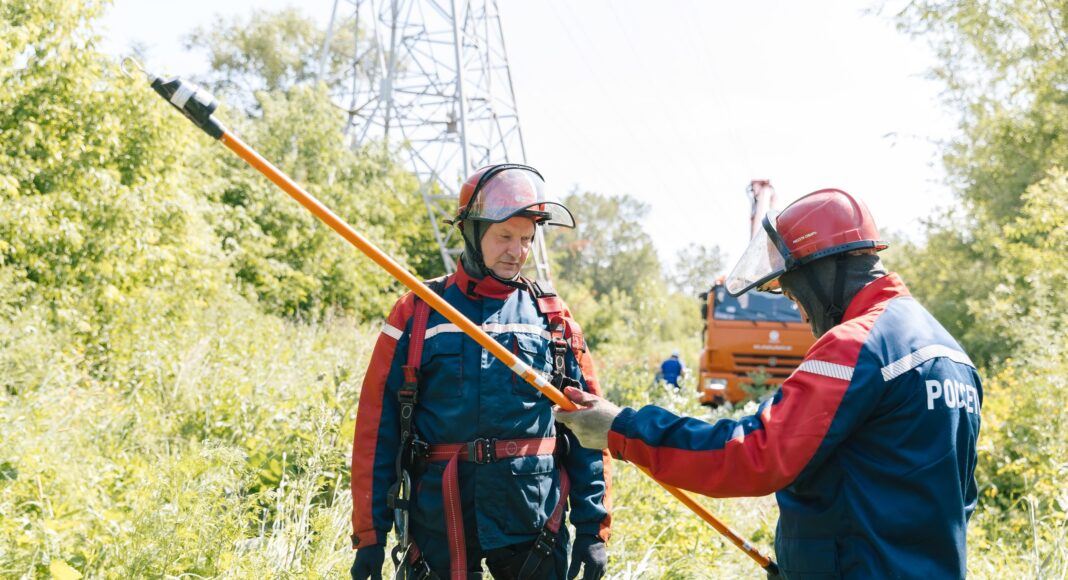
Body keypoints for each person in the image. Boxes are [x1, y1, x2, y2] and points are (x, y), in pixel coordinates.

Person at [556, 188, 982, 579]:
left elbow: (753, 454)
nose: (798, 312)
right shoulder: (949, 352)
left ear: (824, 270)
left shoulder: (856, 346)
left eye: (794, 295)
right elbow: (952, 500)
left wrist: (621, 428)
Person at [350, 164, 611, 580]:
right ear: (471, 233)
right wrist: (370, 535)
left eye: (527, 238)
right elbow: (376, 429)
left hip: (533, 517)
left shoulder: (553, 318)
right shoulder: (417, 311)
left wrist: (592, 528)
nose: (517, 250)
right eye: (504, 236)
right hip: (440, 520)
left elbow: (589, 432)